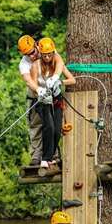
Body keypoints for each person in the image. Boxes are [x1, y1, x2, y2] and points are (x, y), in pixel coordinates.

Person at [30, 37, 75, 168]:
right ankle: (45, 158)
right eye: (45, 55)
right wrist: (40, 91)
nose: (48, 57)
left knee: (56, 130)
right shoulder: (35, 66)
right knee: (48, 126)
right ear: (41, 54)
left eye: (50, 54)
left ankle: (49, 158)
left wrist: (60, 82)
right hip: (42, 101)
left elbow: (72, 80)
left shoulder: (57, 62)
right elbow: (32, 84)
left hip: (56, 100)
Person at [17, 35, 43, 165]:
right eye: (28, 55)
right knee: (35, 125)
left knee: (53, 126)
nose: (31, 56)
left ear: (36, 45)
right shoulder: (24, 63)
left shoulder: (47, 50)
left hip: (52, 93)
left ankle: (54, 155)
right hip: (35, 96)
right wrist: (38, 90)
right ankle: (36, 156)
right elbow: (28, 81)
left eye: (32, 52)